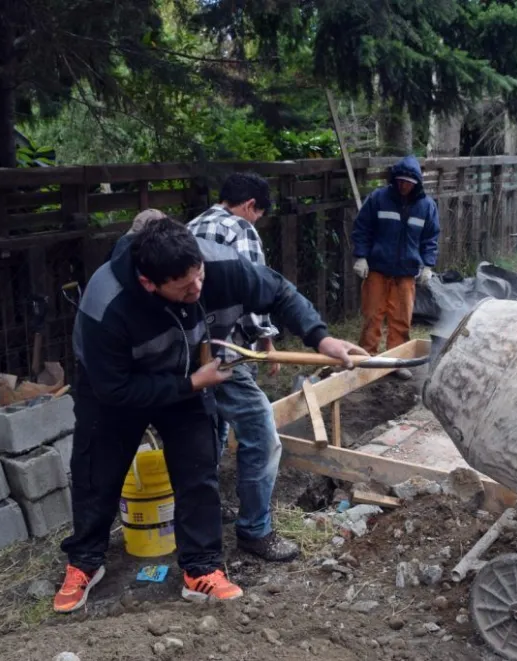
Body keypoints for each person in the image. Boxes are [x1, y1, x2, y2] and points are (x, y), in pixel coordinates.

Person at [55, 218, 365, 613]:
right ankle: (85, 561)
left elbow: (280, 293)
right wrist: (191, 384)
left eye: (198, 275)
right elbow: (114, 389)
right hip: (116, 389)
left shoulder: (220, 266)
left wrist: (321, 336)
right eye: (184, 287)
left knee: (198, 470)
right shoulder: (107, 303)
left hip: (187, 376)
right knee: (97, 472)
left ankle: (201, 569)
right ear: (150, 283)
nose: (198, 288)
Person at [186, 173, 296, 562]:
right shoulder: (240, 230)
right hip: (224, 350)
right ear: (251, 205)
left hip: (190, 350)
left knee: (211, 428)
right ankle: (255, 530)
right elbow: (253, 290)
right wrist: (265, 337)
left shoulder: (192, 225)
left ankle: (210, 508)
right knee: (261, 434)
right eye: (259, 214)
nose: (257, 221)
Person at [351, 155, 440, 379]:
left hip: (406, 273)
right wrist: (361, 256)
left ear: (417, 183)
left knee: (401, 319)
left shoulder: (426, 206)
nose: (403, 185)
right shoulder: (378, 199)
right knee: (373, 316)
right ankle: (367, 359)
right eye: (400, 181)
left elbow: (430, 238)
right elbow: (362, 228)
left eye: (408, 183)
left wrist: (428, 265)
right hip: (378, 270)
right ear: (394, 179)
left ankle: (396, 361)